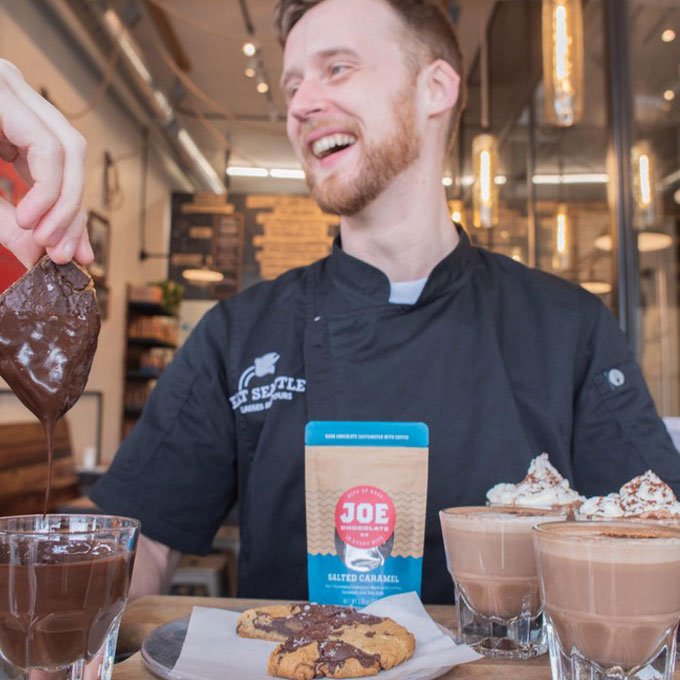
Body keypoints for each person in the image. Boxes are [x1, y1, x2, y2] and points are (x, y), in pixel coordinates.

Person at [1, 0, 679, 605]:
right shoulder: (239, 334)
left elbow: (655, 535)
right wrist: (40, 591)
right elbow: (140, 544)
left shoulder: (568, 327)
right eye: (293, 83)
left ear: (436, 87)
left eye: (336, 69)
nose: (298, 103)